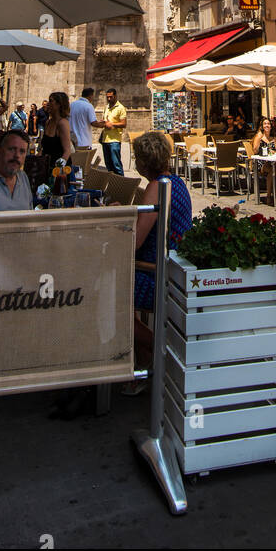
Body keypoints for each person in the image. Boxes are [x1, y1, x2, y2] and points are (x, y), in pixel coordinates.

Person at [128, 131, 192, 390]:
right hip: (171, 271)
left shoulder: (156, 187)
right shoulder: (176, 182)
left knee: (107, 301)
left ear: (143, 163)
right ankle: (144, 366)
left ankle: (160, 350)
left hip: (155, 275)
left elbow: (135, 243)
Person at [99, 87, 126, 177]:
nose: (109, 99)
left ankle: (121, 182)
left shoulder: (120, 108)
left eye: (111, 97)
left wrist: (112, 124)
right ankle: (112, 184)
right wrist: (103, 123)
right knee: (108, 165)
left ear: (115, 96)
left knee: (116, 164)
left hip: (114, 140)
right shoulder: (106, 107)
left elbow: (124, 124)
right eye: (107, 97)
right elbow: (106, 120)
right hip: (105, 139)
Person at [41, 92, 73, 169]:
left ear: (59, 104)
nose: (48, 104)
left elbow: (67, 151)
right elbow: (45, 149)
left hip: (59, 169)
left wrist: (59, 167)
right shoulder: (48, 122)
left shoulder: (62, 123)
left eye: (51, 101)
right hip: (46, 166)